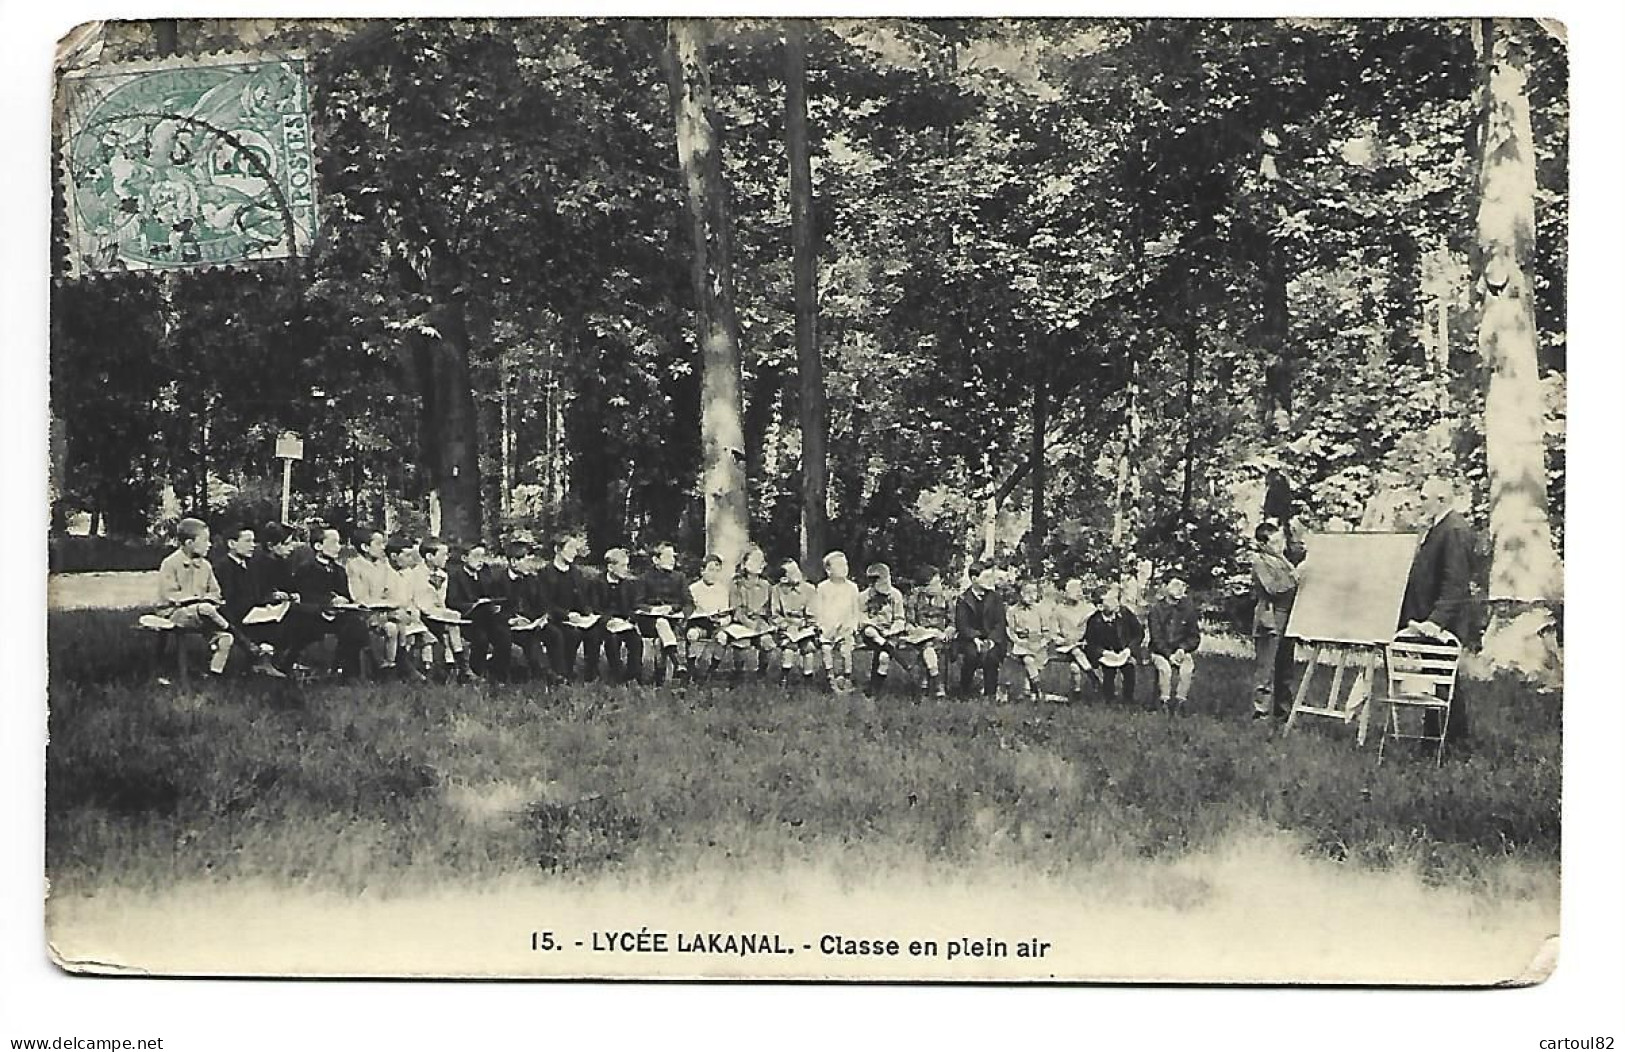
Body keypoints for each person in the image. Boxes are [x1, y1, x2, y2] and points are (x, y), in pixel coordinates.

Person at [1399, 477, 1477, 745]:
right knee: (1437, 679)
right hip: (1429, 619)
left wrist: (1436, 622)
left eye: (1424, 497)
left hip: (1445, 622)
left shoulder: (1454, 529)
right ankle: (1440, 739)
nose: (1420, 502)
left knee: (1444, 679)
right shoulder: (1438, 527)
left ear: (1441, 499)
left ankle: (1446, 741)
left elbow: (1455, 582)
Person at [155, 517, 281, 678]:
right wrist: (199, 600)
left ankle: (214, 676)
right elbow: (170, 594)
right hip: (175, 613)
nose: (210, 544)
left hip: (204, 614)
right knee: (206, 608)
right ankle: (244, 642)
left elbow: (216, 593)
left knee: (225, 638)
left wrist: (208, 600)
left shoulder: (206, 566)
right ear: (189, 543)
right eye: (205, 540)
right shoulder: (170, 563)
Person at [284, 526, 369, 679]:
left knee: (356, 625)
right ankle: (297, 663)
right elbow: (305, 595)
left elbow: (345, 595)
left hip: (336, 615)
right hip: (313, 614)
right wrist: (329, 602)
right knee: (306, 627)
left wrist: (344, 601)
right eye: (334, 543)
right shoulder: (306, 569)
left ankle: (347, 672)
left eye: (339, 543)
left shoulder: (339, 571)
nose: (339, 547)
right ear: (318, 546)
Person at [534, 533, 606, 682]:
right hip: (555, 618)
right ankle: (563, 672)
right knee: (571, 633)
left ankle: (591, 673)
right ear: (557, 549)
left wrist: (587, 613)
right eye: (571, 548)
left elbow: (583, 599)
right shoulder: (545, 574)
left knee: (594, 631)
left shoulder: (576, 573)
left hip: (575, 618)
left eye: (576, 549)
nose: (575, 552)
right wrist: (567, 615)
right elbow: (545, 604)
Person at [1251, 521, 1299, 722]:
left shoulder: (1283, 561)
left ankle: (1283, 712)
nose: (1280, 545)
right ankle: (1260, 712)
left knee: (1285, 666)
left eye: (1281, 541)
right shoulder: (1260, 561)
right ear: (1263, 544)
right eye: (1275, 541)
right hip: (1269, 616)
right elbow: (1271, 588)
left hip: (1287, 616)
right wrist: (1293, 580)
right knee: (1266, 667)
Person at [409, 537, 469, 680]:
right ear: (429, 556)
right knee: (451, 622)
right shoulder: (415, 575)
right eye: (443, 555)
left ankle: (458, 664)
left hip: (438, 615)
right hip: (421, 615)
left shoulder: (443, 575)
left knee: (453, 618)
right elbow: (417, 601)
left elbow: (440, 601)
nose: (446, 558)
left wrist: (442, 611)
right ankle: (460, 664)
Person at [347, 527, 403, 676]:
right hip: (363, 612)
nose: (383, 548)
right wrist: (381, 603)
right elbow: (358, 597)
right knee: (376, 624)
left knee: (394, 626)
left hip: (383, 611)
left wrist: (389, 602)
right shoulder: (354, 565)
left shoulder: (383, 566)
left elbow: (392, 591)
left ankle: (391, 665)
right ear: (365, 547)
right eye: (378, 544)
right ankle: (383, 667)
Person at [1147, 575, 1201, 713]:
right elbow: (1156, 638)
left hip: (1180, 651)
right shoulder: (1156, 610)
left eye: (1182, 585)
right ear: (1165, 587)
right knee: (1165, 669)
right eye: (1175, 585)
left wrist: (1183, 649)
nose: (1179, 588)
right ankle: (1163, 701)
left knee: (1187, 668)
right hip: (1160, 651)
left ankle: (1180, 702)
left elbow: (1194, 636)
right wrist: (1168, 654)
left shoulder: (1188, 610)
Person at [639, 542, 692, 683]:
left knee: (660, 639)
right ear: (656, 560)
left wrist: (672, 608)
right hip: (649, 622)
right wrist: (653, 610)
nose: (673, 560)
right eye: (668, 556)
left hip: (673, 619)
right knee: (661, 623)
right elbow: (637, 603)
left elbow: (687, 602)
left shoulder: (679, 577)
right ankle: (678, 662)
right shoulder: (645, 578)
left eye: (673, 556)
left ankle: (659, 677)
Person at [954, 562, 1008, 699]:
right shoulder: (963, 599)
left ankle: (990, 694)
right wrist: (975, 638)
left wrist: (991, 640)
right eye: (986, 577)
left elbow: (1000, 623)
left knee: (991, 657)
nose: (990, 580)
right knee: (971, 655)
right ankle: (964, 690)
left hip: (992, 638)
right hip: (970, 639)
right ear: (974, 579)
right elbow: (962, 625)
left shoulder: (996, 598)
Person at [812, 550, 862, 693]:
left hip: (845, 628)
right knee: (827, 649)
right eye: (839, 566)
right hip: (828, 628)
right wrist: (824, 627)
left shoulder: (852, 587)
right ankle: (831, 679)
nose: (844, 568)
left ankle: (846, 678)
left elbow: (855, 611)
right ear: (828, 570)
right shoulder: (823, 588)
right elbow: (819, 611)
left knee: (846, 650)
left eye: (845, 565)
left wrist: (852, 627)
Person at [902, 566, 954, 698]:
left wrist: (948, 631)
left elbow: (953, 622)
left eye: (939, 582)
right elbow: (909, 623)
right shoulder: (914, 599)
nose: (939, 585)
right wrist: (918, 630)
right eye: (935, 582)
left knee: (929, 647)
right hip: (921, 637)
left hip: (941, 637)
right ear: (924, 586)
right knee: (927, 646)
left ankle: (926, 684)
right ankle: (937, 684)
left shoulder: (946, 598)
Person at [1084, 586, 1142, 704]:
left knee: (1129, 669)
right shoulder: (1094, 621)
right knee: (1109, 671)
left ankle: (1128, 699)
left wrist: (1129, 650)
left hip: (1125, 650)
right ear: (1100, 607)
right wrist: (1104, 653)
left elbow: (1139, 634)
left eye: (1115, 598)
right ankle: (1109, 698)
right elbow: (1091, 644)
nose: (1116, 602)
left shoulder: (1125, 614)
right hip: (1106, 653)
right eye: (1110, 600)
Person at [384, 538, 430, 682]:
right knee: (398, 627)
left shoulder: (409, 574)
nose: (411, 560)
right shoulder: (384, 572)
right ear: (394, 556)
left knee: (419, 630)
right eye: (407, 555)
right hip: (387, 613)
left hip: (407, 613)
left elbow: (414, 597)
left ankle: (423, 667)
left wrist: (413, 610)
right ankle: (400, 668)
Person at [769, 558, 820, 686]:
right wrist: (786, 626)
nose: (797, 575)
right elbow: (775, 615)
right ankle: (784, 677)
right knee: (789, 646)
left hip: (804, 629)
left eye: (797, 570)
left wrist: (804, 625)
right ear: (784, 579)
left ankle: (808, 679)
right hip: (785, 630)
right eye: (792, 573)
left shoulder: (809, 589)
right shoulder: (777, 590)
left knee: (808, 646)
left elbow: (812, 615)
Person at [598, 547, 645, 684]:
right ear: (610, 567)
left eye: (627, 565)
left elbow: (634, 606)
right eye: (623, 565)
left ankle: (633, 675)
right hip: (604, 623)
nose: (626, 569)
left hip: (624, 622)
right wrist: (608, 620)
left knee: (636, 640)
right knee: (612, 640)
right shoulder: (597, 582)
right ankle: (616, 674)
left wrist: (629, 619)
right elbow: (594, 606)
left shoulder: (629, 584)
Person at [858, 562, 908, 693]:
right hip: (872, 632)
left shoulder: (895, 595)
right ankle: (887, 646)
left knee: (884, 657)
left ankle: (875, 688)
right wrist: (873, 626)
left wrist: (892, 630)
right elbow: (861, 619)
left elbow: (899, 618)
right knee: (870, 632)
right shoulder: (863, 597)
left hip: (889, 632)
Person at [728, 546, 777, 680]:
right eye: (755, 560)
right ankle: (738, 673)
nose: (761, 564)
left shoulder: (766, 586)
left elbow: (769, 611)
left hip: (759, 624)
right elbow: (736, 610)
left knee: (767, 642)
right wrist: (749, 623)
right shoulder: (737, 584)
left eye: (762, 561)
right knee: (741, 643)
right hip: (741, 623)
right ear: (744, 564)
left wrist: (766, 624)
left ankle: (761, 673)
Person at [687, 554, 734, 680]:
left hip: (716, 625)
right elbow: (689, 612)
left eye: (717, 571)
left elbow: (726, 613)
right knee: (692, 634)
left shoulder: (722, 590)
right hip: (699, 625)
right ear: (702, 571)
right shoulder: (693, 589)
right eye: (711, 570)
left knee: (723, 637)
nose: (714, 574)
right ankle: (690, 668)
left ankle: (711, 670)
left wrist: (721, 621)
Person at [1049, 577, 1095, 700]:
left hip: (1086, 644)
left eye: (1080, 590)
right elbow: (1053, 633)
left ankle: (1077, 693)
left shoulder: (1089, 609)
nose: (1078, 593)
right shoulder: (1059, 610)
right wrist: (1062, 640)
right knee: (1075, 651)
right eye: (1074, 590)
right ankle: (1093, 677)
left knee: (1075, 667)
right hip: (1066, 646)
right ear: (1066, 593)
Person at [1006, 578, 1052, 700]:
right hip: (1021, 644)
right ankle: (1038, 689)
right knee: (1027, 659)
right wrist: (1019, 641)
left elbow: (1047, 632)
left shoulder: (1040, 610)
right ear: (1019, 593)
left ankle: (1030, 691)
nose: (1031, 596)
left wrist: (1042, 643)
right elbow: (1010, 631)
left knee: (1031, 660)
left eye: (1034, 592)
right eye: (1027, 592)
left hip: (1038, 644)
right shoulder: (1012, 611)